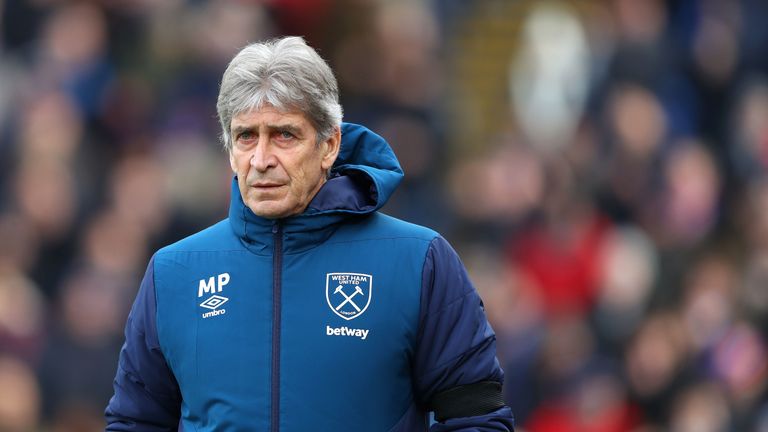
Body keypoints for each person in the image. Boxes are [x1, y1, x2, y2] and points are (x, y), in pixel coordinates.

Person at [104, 36, 515, 432]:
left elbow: (477, 419)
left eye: (284, 134)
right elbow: (134, 422)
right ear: (230, 150)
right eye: (246, 136)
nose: (262, 159)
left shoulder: (420, 261)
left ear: (330, 144)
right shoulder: (173, 272)